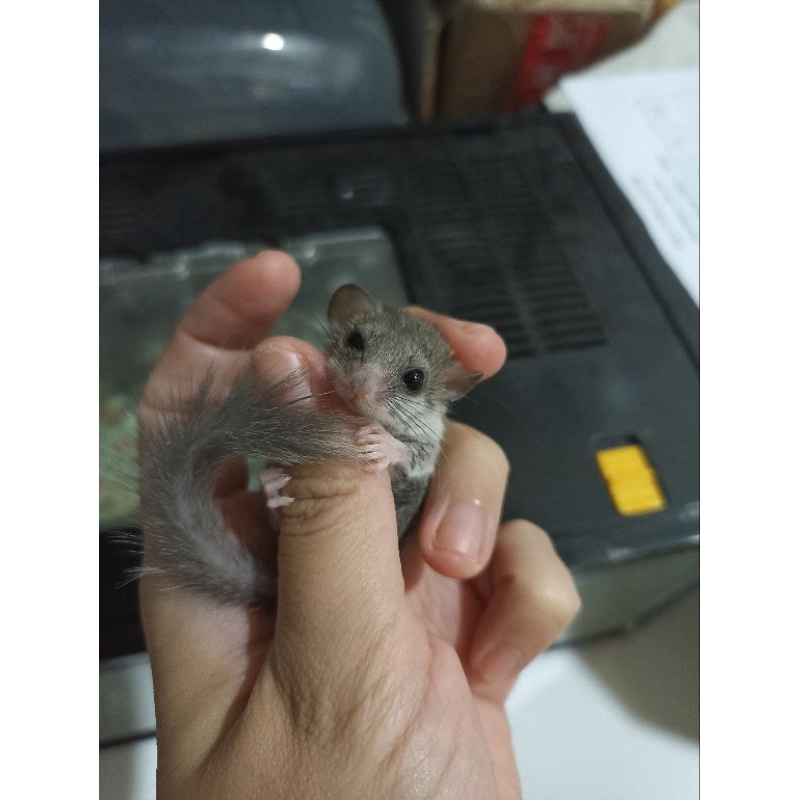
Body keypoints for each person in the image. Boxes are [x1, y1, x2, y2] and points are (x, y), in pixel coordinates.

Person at [139, 250, 581, 799]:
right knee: (287, 469)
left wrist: (395, 449)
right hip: (286, 552)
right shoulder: (317, 395)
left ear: (444, 389)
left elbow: (421, 460)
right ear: (342, 328)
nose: (364, 384)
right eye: (356, 345)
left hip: (384, 549)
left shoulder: (423, 427)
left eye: (410, 380)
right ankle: (277, 495)